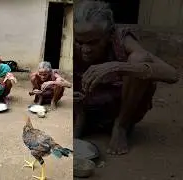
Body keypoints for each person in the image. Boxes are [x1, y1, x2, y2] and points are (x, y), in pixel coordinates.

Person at [74, 0, 178, 155]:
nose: (85, 49)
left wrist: (116, 66)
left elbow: (172, 74)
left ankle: (121, 126)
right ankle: (79, 122)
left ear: (109, 35)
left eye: (93, 43)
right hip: (84, 110)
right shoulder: (73, 44)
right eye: (80, 42)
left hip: (116, 110)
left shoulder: (120, 39)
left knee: (139, 61)